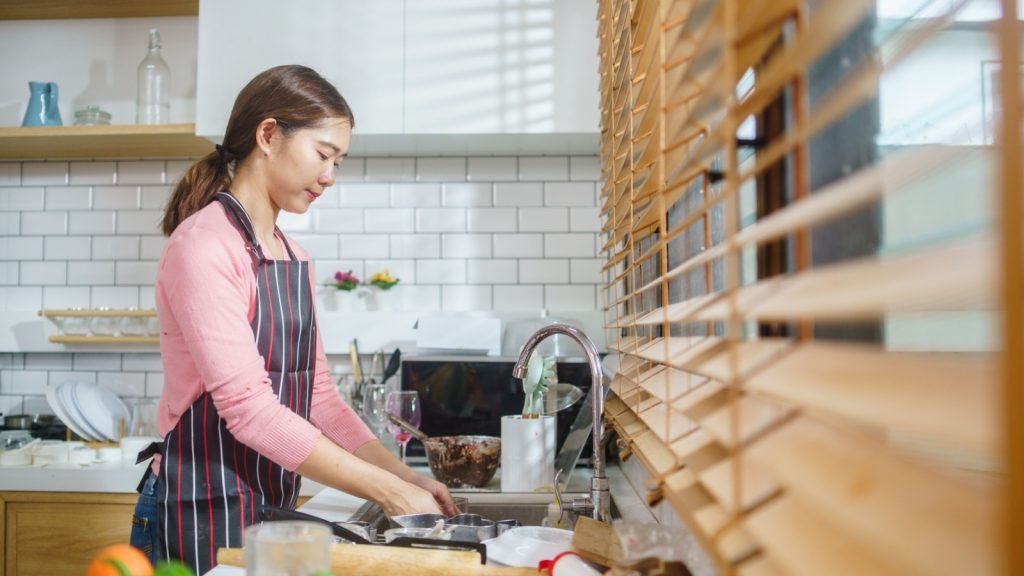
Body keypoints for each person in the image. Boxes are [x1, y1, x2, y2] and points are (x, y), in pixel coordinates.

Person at [129, 65, 456, 573]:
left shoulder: (291, 254)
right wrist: (385, 490)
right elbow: (250, 411)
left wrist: (403, 477)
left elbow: (318, 397)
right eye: (323, 154)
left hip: (265, 512)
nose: (329, 175)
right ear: (268, 135)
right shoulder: (203, 246)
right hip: (192, 507)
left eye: (338, 162)